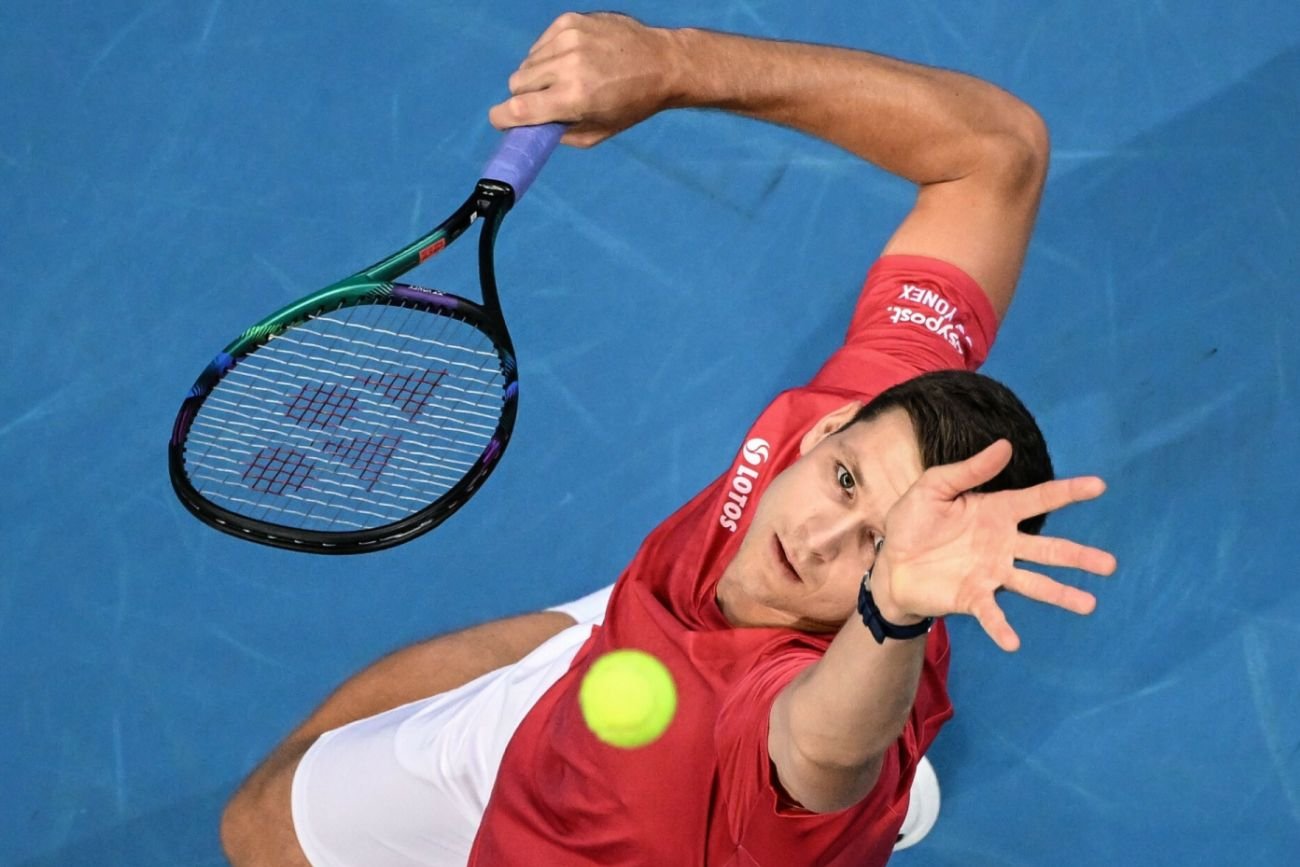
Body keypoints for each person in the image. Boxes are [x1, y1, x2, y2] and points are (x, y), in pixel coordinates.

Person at [221, 12, 1117, 866]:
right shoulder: (875, 426)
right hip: (625, 652)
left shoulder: (769, 714)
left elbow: (815, 748)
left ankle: (880, 778)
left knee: (261, 826)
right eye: (844, 483)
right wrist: (676, 64)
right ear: (839, 425)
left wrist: (890, 620)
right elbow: (997, 155)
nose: (816, 538)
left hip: (613, 815)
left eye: (877, 549)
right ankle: (889, 779)